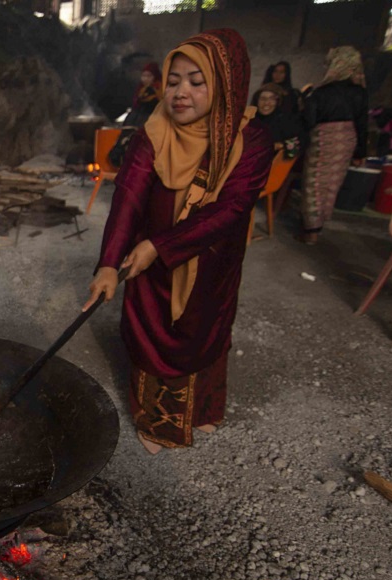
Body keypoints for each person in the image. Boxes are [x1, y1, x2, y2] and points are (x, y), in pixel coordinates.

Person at [83, 29, 274, 454]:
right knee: (154, 335)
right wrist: (110, 263)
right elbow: (129, 198)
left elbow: (231, 209)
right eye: (173, 81)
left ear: (224, 84)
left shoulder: (251, 139)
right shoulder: (154, 132)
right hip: (151, 269)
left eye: (196, 80)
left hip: (213, 262)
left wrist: (159, 246)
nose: (180, 93)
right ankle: (157, 423)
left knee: (205, 331)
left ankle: (202, 410)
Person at [299, 46, 369, 245]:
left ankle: (309, 232)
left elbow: (308, 121)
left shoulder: (321, 93)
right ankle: (317, 228)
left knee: (313, 184)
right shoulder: (359, 92)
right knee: (331, 186)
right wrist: (360, 152)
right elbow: (362, 123)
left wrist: (305, 98)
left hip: (323, 140)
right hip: (346, 142)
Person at [252, 82, 302, 156]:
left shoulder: (287, 123)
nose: (266, 103)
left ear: (278, 102)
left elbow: (294, 151)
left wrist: (281, 146)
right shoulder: (249, 122)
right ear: (257, 101)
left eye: (271, 99)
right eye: (263, 99)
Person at [123, 62, 163, 128]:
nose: (145, 79)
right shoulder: (140, 89)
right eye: (143, 76)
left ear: (155, 77)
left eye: (149, 76)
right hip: (136, 119)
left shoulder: (159, 89)